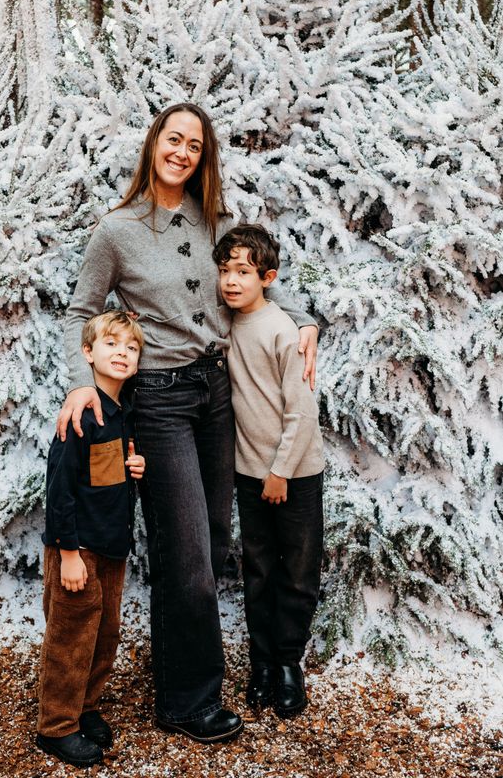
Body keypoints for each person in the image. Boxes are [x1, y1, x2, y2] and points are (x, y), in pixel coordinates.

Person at [57, 102, 318, 744]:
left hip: (217, 395)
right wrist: (78, 381)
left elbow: (259, 282)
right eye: (174, 139)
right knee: (190, 557)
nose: (182, 151)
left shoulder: (217, 221)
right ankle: (188, 700)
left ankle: (179, 682)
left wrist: (306, 319)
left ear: (204, 158)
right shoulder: (116, 231)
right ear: (154, 145)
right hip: (161, 402)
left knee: (208, 543)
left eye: (195, 145)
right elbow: (79, 311)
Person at [213, 224, 324, 718]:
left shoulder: (283, 330)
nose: (231, 281)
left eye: (243, 271)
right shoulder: (225, 323)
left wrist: (279, 471)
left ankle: (286, 664)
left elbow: (301, 410)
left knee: (297, 572)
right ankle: (260, 664)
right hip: (248, 471)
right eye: (224, 270)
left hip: (294, 474)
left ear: (267, 277)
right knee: (257, 570)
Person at [36, 310, 146, 768]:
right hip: (76, 549)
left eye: (132, 347)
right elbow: (60, 488)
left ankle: (85, 707)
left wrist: (132, 469)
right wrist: (68, 554)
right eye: (111, 344)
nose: (122, 353)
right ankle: (57, 727)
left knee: (104, 634)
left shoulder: (123, 411)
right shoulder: (81, 412)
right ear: (88, 352)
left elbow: (100, 474)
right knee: (71, 636)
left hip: (110, 546)